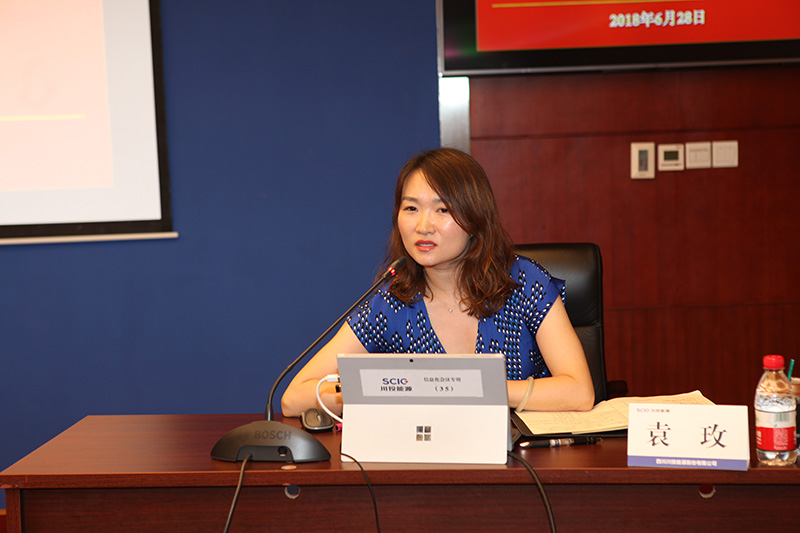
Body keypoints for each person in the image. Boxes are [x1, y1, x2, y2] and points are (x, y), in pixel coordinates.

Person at [281, 148, 594, 417]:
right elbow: (294, 398)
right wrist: (387, 389)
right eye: (411, 208)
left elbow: (579, 392)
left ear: (475, 219)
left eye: (442, 209)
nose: (423, 226)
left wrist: (476, 388)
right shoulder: (391, 303)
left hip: (523, 458)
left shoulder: (523, 282)